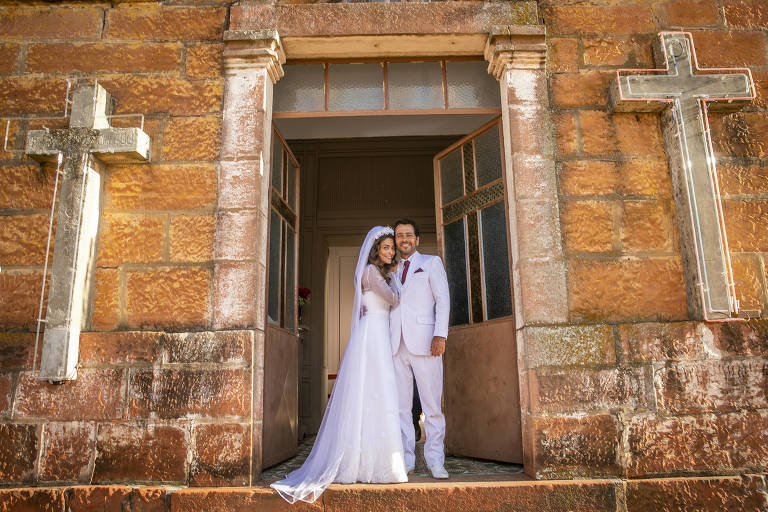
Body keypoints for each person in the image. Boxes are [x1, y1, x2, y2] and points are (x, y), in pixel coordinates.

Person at [271, 226, 407, 504]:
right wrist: (395, 277)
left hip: (380, 334)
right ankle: (354, 463)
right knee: (368, 393)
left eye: (392, 248)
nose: (391, 252)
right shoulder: (371, 272)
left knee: (380, 395)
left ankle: (380, 465)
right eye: (386, 248)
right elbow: (393, 299)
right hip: (371, 336)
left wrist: (392, 276)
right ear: (375, 251)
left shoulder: (381, 273)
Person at [390, 219, 450, 479]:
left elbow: (443, 300)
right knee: (401, 408)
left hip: (427, 342)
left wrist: (440, 334)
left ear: (417, 239)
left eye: (408, 235)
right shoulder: (389, 268)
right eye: (399, 235)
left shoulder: (431, 263)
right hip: (396, 344)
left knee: (432, 405)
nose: (404, 239)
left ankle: (436, 461)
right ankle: (406, 461)